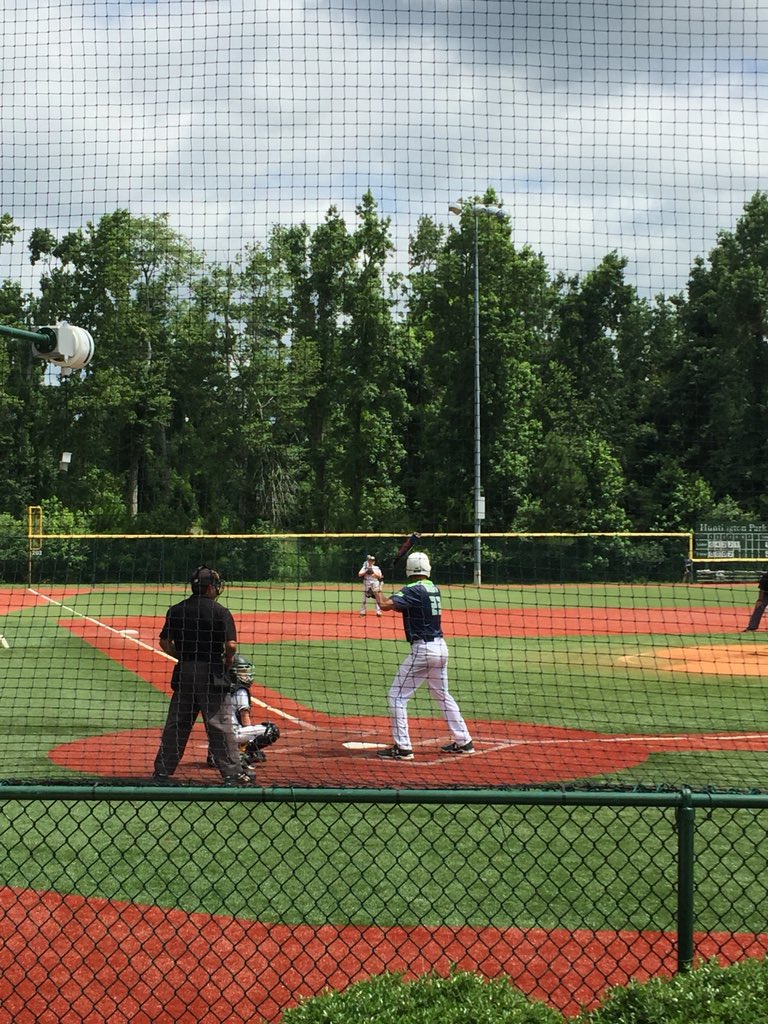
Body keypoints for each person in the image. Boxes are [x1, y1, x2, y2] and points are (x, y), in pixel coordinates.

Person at [152, 565, 253, 785]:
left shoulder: (176, 610)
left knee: (177, 723)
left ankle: (162, 771)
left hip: (185, 671)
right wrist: (227, 660)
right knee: (220, 724)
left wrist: (183, 655)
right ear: (209, 588)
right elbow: (231, 645)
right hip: (212, 672)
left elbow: (164, 642)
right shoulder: (220, 612)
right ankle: (232, 773)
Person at [373, 550, 473, 760]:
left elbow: (385, 605)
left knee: (397, 696)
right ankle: (464, 740)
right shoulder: (432, 588)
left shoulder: (412, 589)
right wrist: (378, 592)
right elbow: (405, 606)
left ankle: (403, 748)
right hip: (440, 648)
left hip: (423, 651)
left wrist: (376, 591)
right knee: (442, 695)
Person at [206, 653, 280, 769]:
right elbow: (245, 717)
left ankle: (217, 753)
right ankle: (244, 753)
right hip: (234, 734)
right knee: (271, 730)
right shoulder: (241, 691)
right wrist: (251, 741)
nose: (246, 676)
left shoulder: (220, 688)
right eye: (242, 672)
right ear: (232, 673)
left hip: (219, 734)